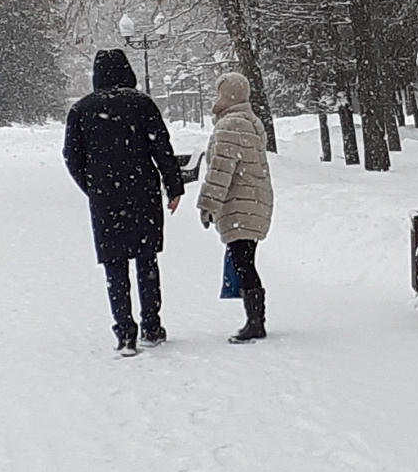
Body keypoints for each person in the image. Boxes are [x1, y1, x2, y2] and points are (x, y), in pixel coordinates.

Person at [63, 48, 185, 354]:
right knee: (147, 261)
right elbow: (162, 148)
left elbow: (71, 157)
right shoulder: (142, 105)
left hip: (106, 199)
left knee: (114, 265)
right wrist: (173, 186)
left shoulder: (81, 110)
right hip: (143, 193)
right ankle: (151, 326)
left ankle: (125, 332)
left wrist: (92, 187)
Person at [197, 72, 273, 342]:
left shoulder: (231, 125)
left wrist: (207, 204)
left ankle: (255, 322)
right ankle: (255, 319)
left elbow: (221, 171)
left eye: (220, 93)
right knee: (245, 260)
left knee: (243, 263)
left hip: (241, 204)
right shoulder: (250, 122)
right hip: (253, 202)